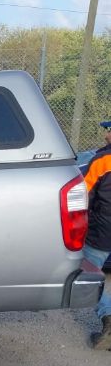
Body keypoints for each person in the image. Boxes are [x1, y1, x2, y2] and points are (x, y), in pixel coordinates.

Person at [82, 120, 111, 350]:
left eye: (109, 130)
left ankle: (108, 318)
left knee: (90, 272)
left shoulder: (102, 160)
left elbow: (85, 195)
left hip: (103, 230)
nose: (106, 135)